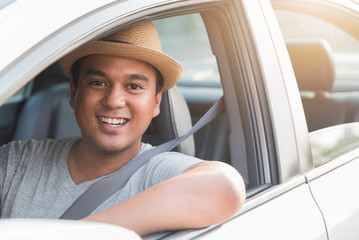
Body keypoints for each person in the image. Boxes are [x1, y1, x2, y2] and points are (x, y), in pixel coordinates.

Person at [0, 22, 245, 236]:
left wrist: (79, 235)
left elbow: (226, 188)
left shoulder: (158, 174)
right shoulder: (19, 161)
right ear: (74, 93)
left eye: (134, 86)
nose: (114, 100)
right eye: (98, 83)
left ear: (156, 102)